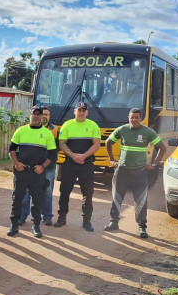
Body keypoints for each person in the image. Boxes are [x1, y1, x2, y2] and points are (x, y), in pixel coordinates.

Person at [106, 108, 167, 238]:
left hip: (140, 172)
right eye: (132, 117)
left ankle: (142, 226)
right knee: (116, 197)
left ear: (140, 119)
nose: (134, 120)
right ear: (128, 118)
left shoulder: (147, 132)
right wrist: (112, 159)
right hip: (122, 171)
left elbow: (162, 148)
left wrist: (154, 164)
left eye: (137, 118)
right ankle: (113, 222)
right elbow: (108, 142)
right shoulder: (122, 130)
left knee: (141, 200)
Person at [8, 106, 57, 238]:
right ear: (29, 115)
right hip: (21, 171)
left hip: (37, 173)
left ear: (42, 117)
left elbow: (53, 155)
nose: (36, 117)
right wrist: (16, 163)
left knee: (37, 200)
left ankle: (36, 226)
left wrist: (43, 166)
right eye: (34, 114)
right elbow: (11, 149)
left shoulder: (48, 133)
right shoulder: (21, 131)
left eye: (39, 115)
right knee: (17, 198)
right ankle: (14, 225)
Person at [55, 102, 101, 231]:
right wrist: (73, 155)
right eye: (79, 110)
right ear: (74, 111)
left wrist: (83, 156)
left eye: (83, 110)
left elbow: (96, 145)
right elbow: (62, 143)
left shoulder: (92, 125)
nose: (81, 112)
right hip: (69, 163)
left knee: (87, 193)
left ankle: (87, 221)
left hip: (86, 164)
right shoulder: (67, 125)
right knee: (64, 192)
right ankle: (62, 217)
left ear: (87, 112)